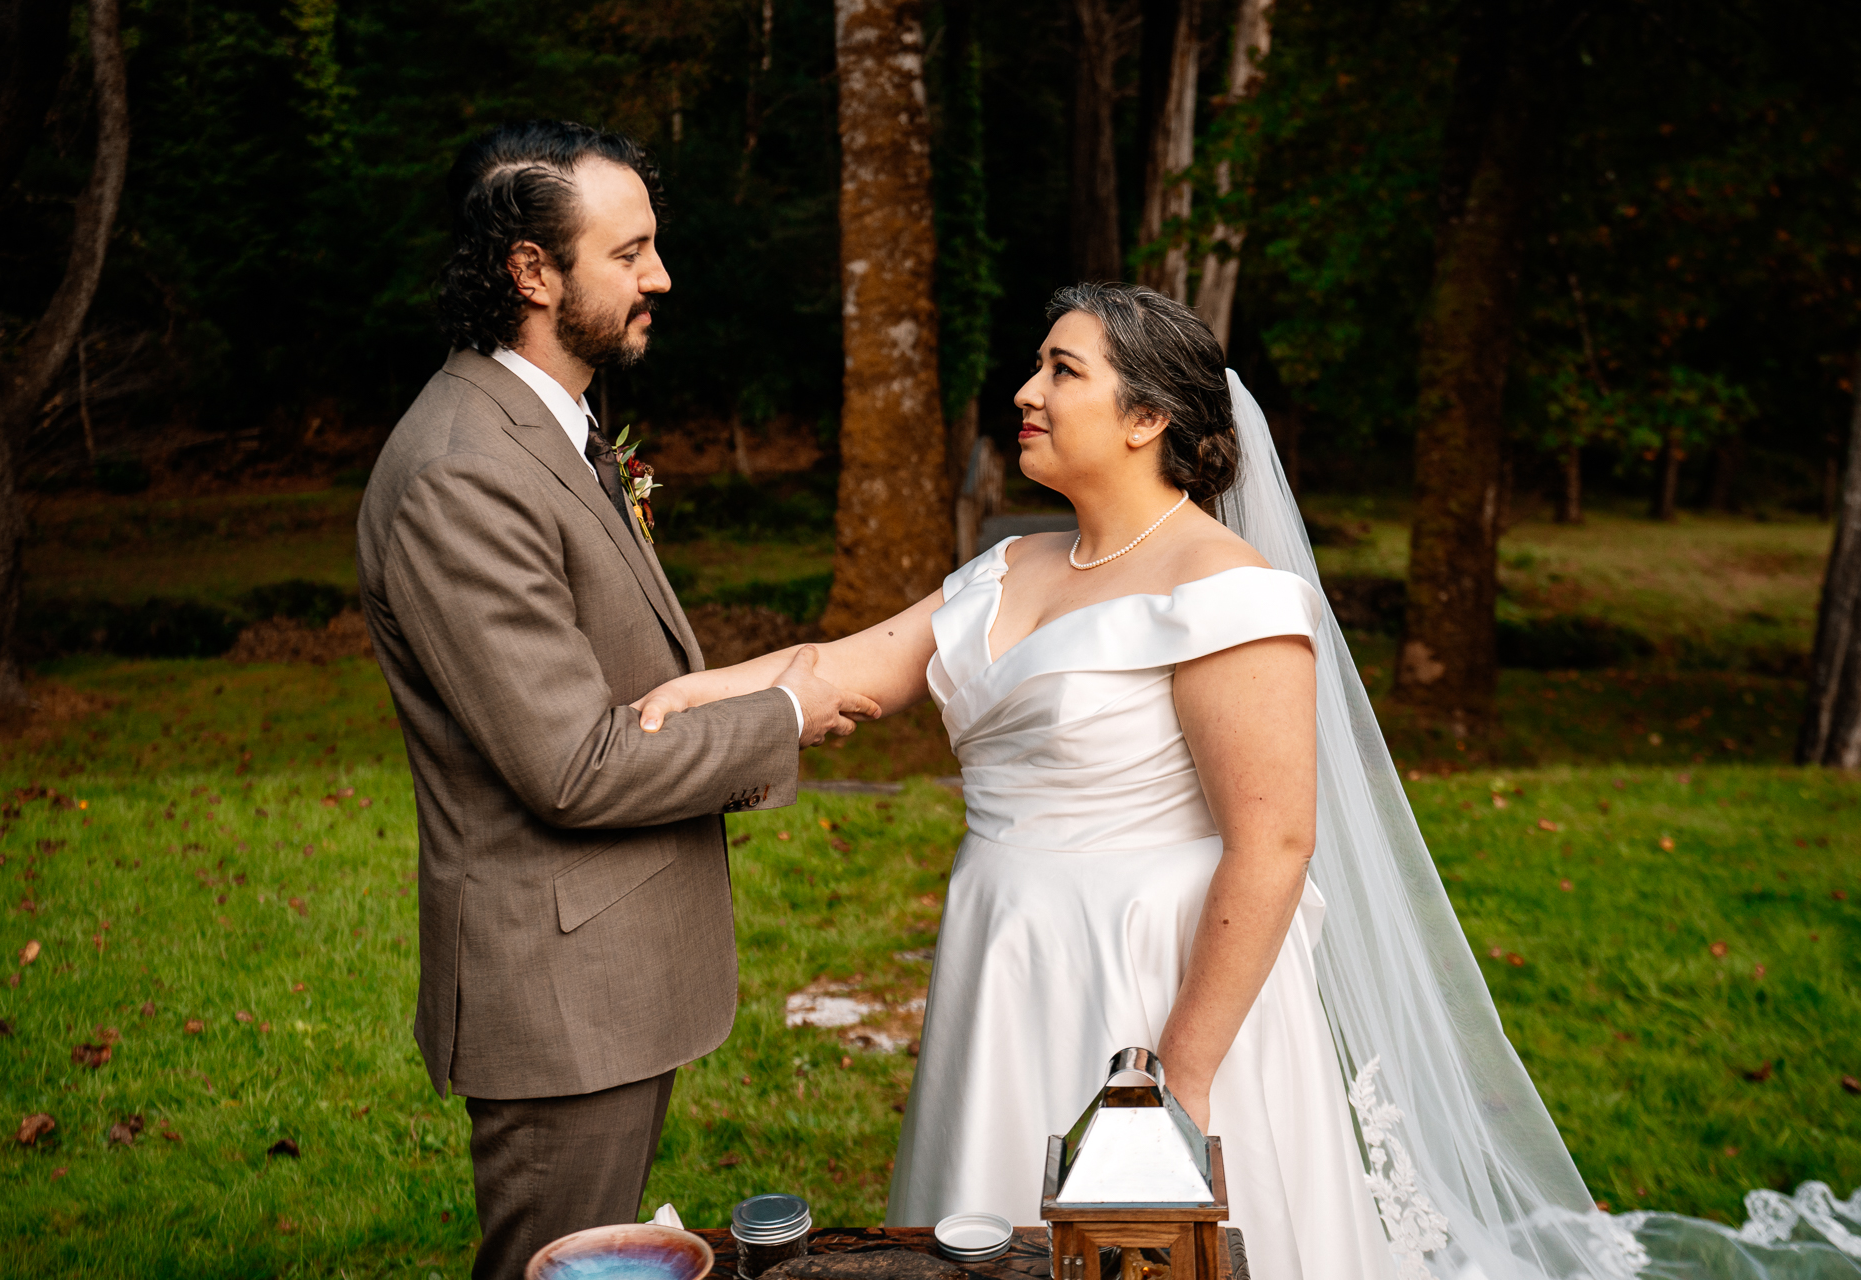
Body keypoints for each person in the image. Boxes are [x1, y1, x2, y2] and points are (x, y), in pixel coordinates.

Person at [635, 284, 1713, 1279]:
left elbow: (1276, 839)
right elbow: (845, 664)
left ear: (1147, 418)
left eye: (1063, 370)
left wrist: (1183, 1087)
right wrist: (697, 690)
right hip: (1009, 947)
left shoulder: (1226, 590)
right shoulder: (1011, 565)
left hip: (1159, 974)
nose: (1027, 392)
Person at [355, 119, 875, 1280]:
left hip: (610, 973)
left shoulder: (551, 426)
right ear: (530, 271)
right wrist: (790, 713)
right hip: (557, 998)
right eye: (629, 251)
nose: (661, 275)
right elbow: (573, 764)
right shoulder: (460, 471)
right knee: (559, 1267)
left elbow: (637, 677)